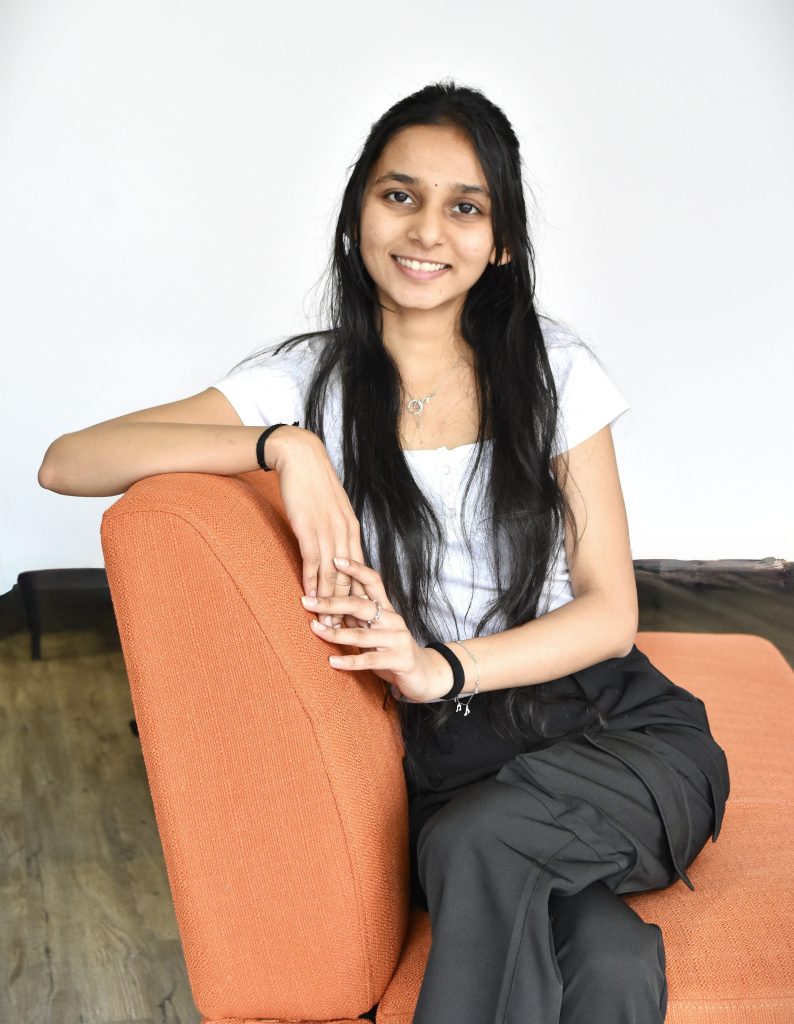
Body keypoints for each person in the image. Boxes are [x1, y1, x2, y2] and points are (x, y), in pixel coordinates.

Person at [40, 79, 730, 1024]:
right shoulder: (304, 382)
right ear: (358, 208)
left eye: (466, 207)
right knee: (603, 964)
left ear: (503, 243)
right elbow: (69, 460)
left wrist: (439, 668)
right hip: (456, 767)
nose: (426, 232)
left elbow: (612, 614)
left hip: (618, 735)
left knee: (477, 847)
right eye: (399, 195)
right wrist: (281, 444)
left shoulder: (555, 372)